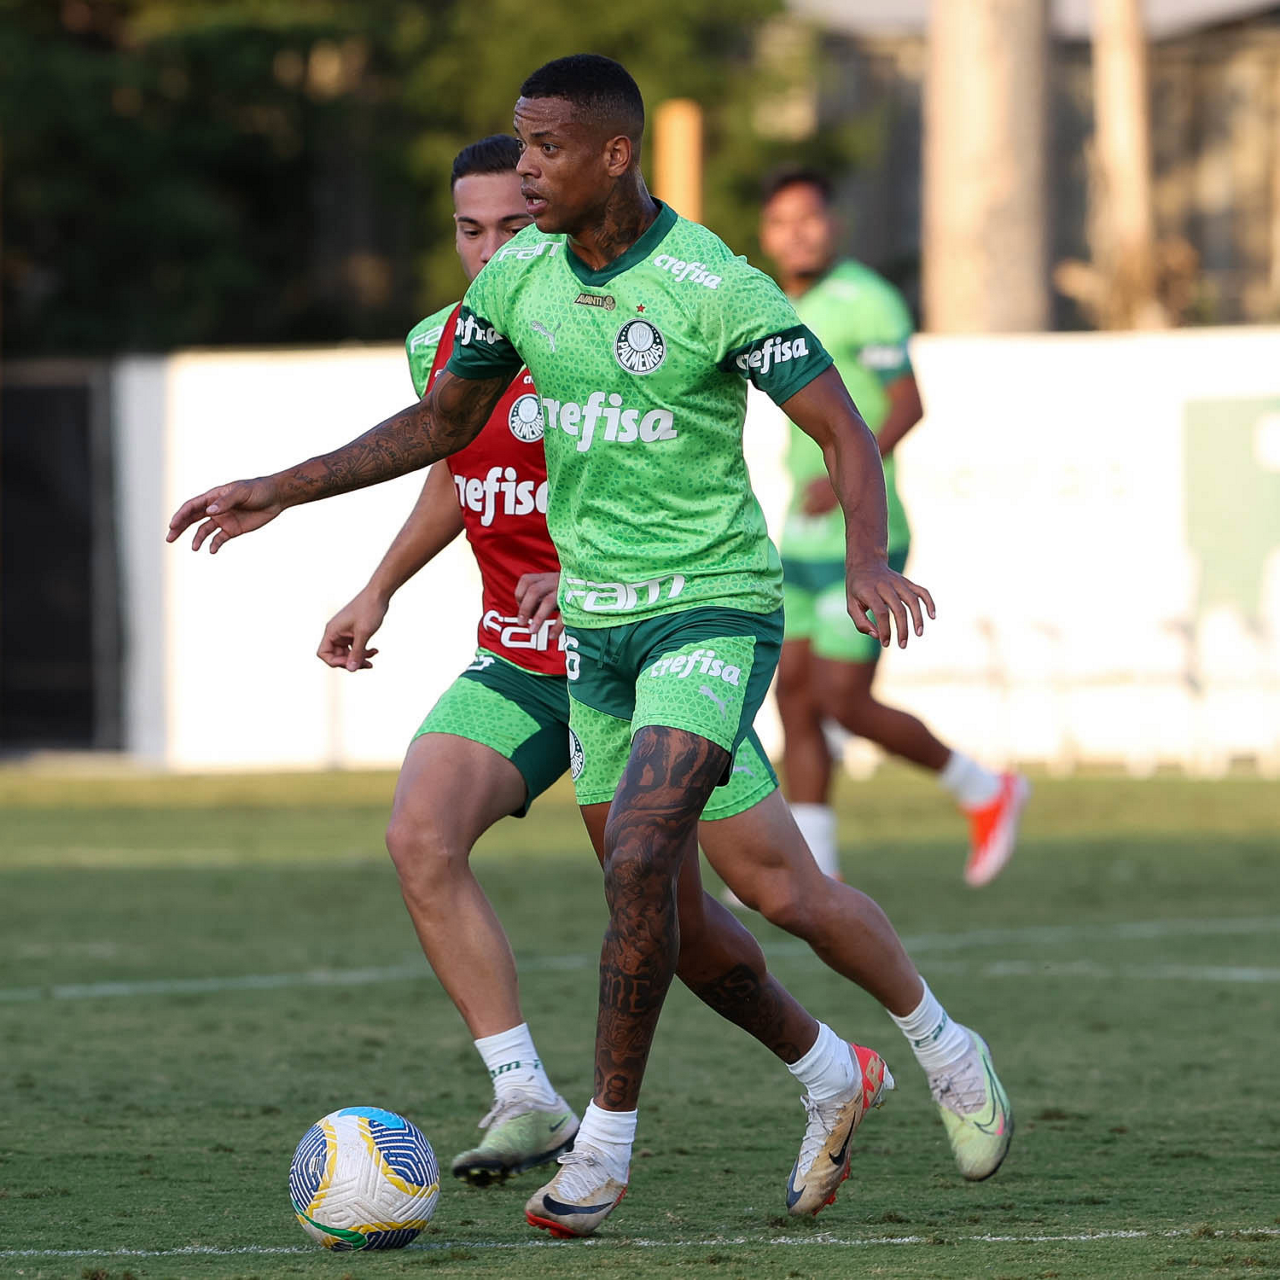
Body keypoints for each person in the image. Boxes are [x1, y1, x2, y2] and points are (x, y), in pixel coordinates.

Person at [166, 57, 1007, 1238]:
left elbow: (841, 426)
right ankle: (848, 1067)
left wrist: (866, 558)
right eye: (518, 146)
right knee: (729, 904)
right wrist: (283, 487)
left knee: (644, 856)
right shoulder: (520, 281)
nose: (524, 171)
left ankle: (611, 1143)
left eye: (545, 149)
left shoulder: (711, 283)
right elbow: (442, 426)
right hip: (594, 638)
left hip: (709, 610)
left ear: (615, 154)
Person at [758, 169, 1029, 888]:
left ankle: (984, 787)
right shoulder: (775, 302)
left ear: (833, 224)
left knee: (842, 698)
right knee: (794, 696)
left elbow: (908, 402)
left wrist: (844, 473)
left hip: (865, 533)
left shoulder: (867, 299)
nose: (796, 234)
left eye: (808, 218)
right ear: (767, 234)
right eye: (781, 222)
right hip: (801, 530)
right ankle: (812, 867)